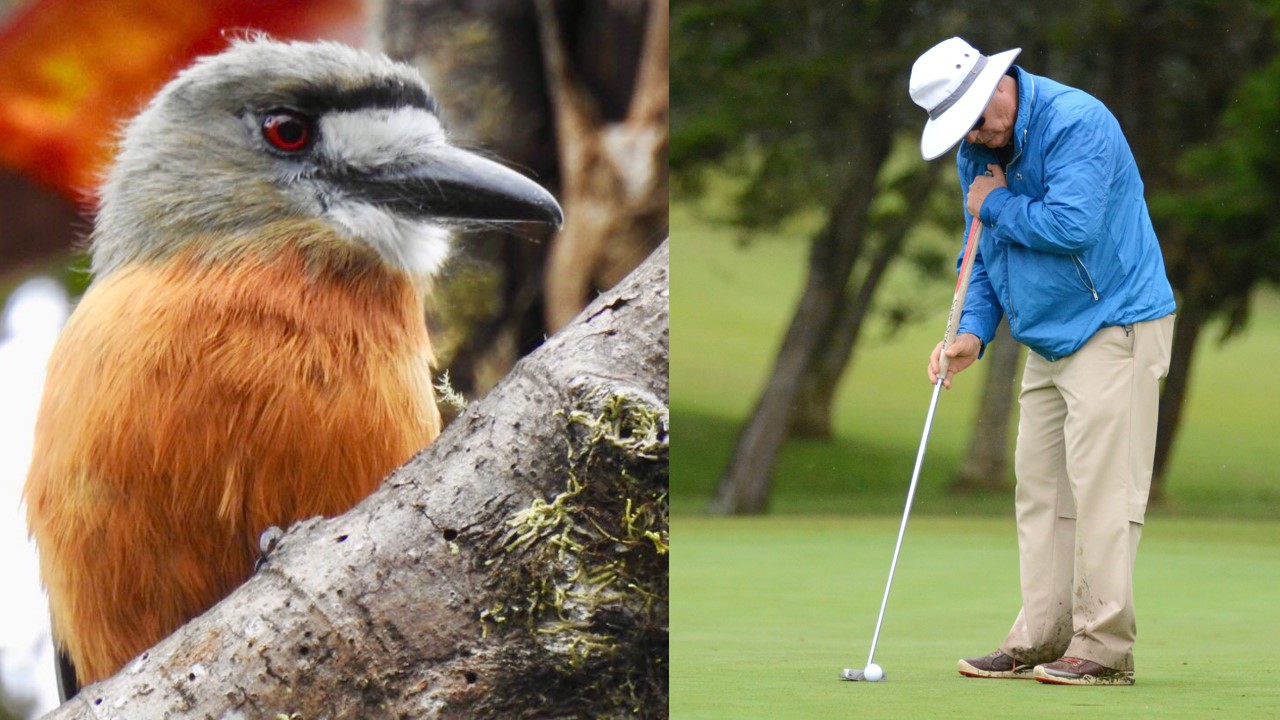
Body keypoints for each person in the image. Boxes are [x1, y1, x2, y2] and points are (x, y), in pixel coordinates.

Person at [906, 37, 1177, 686]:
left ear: (998, 85)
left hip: (1116, 322)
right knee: (1041, 492)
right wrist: (972, 332)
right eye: (960, 128)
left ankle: (1104, 648)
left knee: (1104, 492)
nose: (971, 135)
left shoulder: (1077, 122)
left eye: (975, 118)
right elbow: (982, 251)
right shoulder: (978, 153)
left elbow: (1071, 226)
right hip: (1047, 336)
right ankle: (1043, 635)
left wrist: (993, 204)